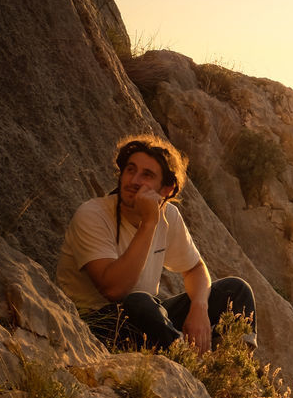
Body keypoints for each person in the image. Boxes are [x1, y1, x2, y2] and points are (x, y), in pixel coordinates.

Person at [56, 135, 256, 352]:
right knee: (139, 302)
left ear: (166, 190)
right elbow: (114, 290)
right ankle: (188, 363)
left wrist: (199, 308)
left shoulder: (169, 214)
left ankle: (231, 370)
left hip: (147, 320)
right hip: (93, 327)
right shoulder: (93, 215)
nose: (133, 181)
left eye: (147, 175)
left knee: (235, 290)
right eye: (130, 170)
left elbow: (196, 269)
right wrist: (149, 223)